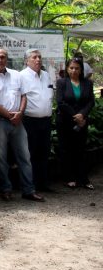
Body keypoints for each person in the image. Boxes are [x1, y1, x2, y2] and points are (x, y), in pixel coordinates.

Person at [0, 48, 44, 202]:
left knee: (24, 155)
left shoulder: (16, 75)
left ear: (7, 58)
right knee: (1, 156)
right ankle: (6, 189)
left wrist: (20, 113)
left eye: (3, 57)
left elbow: (24, 96)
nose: (0, 60)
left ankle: (28, 190)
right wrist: (10, 116)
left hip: (17, 119)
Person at [56, 58, 95, 190]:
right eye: (71, 68)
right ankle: (69, 178)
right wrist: (76, 116)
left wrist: (82, 115)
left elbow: (91, 102)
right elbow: (60, 102)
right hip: (65, 121)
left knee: (81, 149)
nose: (74, 70)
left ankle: (83, 178)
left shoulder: (88, 83)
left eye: (77, 68)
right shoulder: (62, 82)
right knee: (66, 149)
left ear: (81, 70)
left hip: (82, 122)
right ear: (67, 69)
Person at [20, 49, 54, 192]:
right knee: (31, 153)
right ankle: (31, 185)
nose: (38, 59)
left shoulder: (46, 75)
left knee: (44, 152)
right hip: (30, 121)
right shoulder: (21, 76)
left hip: (46, 120)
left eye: (39, 57)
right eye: (34, 57)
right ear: (27, 61)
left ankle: (43, 183)